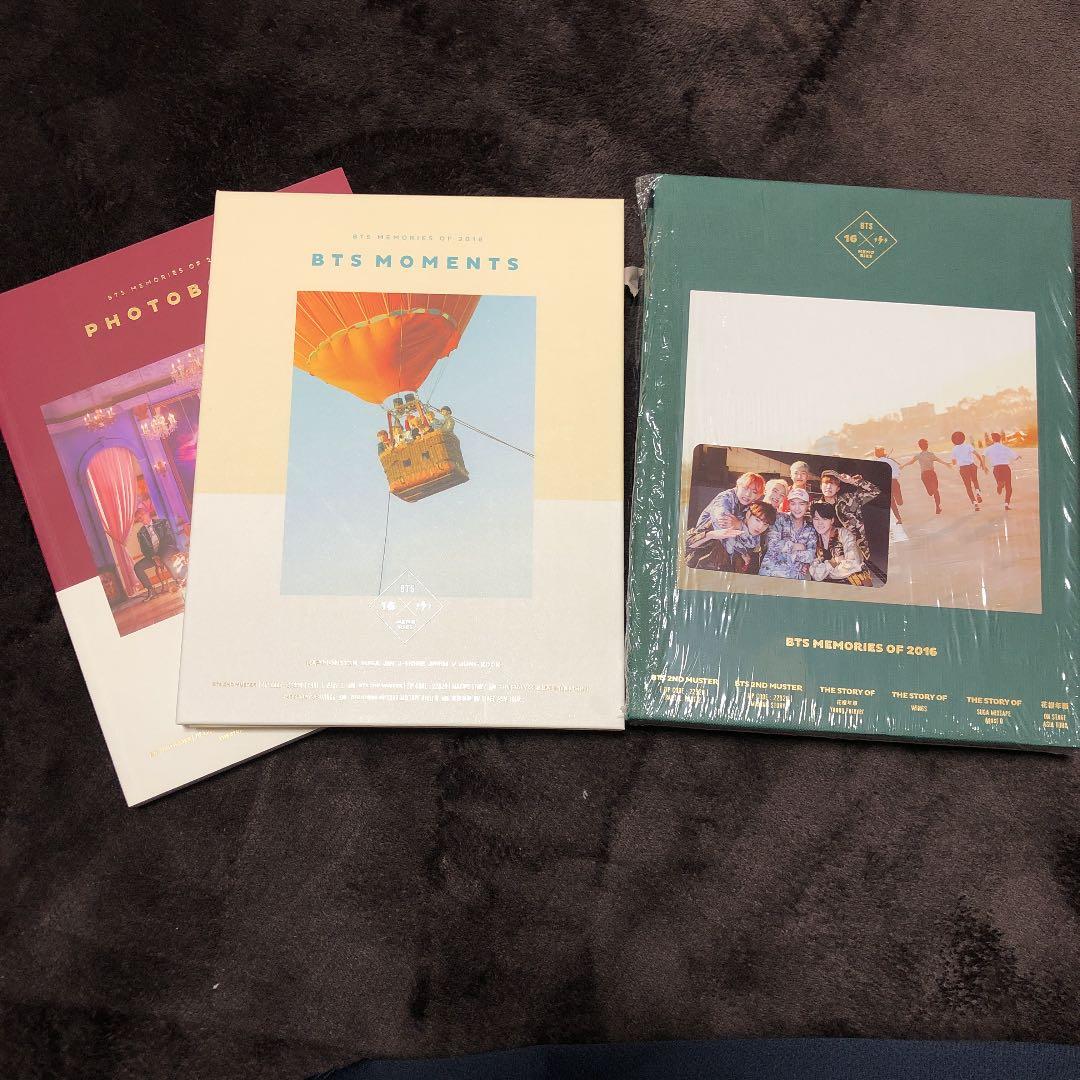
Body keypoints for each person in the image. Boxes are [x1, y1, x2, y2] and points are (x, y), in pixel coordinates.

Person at [688, 500, 776, 573]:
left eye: (765, 524)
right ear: (748, 515)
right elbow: (687, 543)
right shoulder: (725, 522)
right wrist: (712, 535)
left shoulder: (755, 543)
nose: (760, 527)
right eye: (757, 520)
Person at [818, 469, 879, 567]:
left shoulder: (848, 500)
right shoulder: (815, 506)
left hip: (850, 543)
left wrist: (852, 480)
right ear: (821, 486)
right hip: (828, 547)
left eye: (833, 484)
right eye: (825, 483)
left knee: (854, 571)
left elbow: (875, 491)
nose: (828, 487)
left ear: (838, 488)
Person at [808, 502, 872, 587]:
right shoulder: (812, 538)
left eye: (824, 519)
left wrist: (825, 573)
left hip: (854, 583)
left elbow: (853, 564)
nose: (820, 523)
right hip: (827, 586)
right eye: (816, 519)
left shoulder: (845, 534)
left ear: (832, 520)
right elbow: (815, 574)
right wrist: (833, 562)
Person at [759, 487, 817, 579]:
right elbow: (773, 545)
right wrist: (798, 547)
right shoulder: (779, 519)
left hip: (795, 579)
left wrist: (788, 550)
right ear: (789, 505)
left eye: (801, 504)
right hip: (771, 575)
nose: (797, 508)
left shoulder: (810, 529)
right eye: (793, 504)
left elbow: (810, 556)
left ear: (807, 505)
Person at [691, 472, 766, 537]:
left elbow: (754, 539)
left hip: (725, 546)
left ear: (758, 496)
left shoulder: (751, 505)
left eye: (754, 492)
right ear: (737, 486)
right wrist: (741, 527)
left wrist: (739, 525)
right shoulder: (724, 498)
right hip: (704, 544)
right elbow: (725, 532)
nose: (748, 494)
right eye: (745, 488)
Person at [132, 508, 180, 602]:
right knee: (137, 567)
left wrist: (159, 554)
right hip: (154, 556)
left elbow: (168, 539)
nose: (141, 519)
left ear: (147, 513)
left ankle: (178, 580)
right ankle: (151, 591)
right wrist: (154, 557)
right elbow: (145, 550)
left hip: (168, 549)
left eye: (142, 515)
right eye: (139, 518)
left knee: (165, 558)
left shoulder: (162, 523)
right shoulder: (141, 533)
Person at [900, 438, 952, 515]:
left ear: (920, 447)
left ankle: (938, 507)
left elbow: (911, 462)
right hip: (930, 474)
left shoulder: (921, 455)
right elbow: (939, 460)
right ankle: (937, 504)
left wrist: (903, 465)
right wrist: (946, 463)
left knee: (935, 491)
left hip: (926, 475)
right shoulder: (925, 455)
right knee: (932, 492)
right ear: (927, 446)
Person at [872, 446, 907, 542]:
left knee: (892, 503)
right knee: (897, 502)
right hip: (894, 481)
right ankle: (899, 518)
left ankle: (899, 518)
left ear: (877, 454)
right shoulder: (890, 460)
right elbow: (898, 470)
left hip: (885, 483)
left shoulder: (876, 463)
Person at [950, 430, 987, 510]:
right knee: (975, 480)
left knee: (968, 486)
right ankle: (978, 493)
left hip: (963, 468)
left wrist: (956, 461)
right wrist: (981, 462)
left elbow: (953, 462)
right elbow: (977, 454)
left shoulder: (954, 449)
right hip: (972, 466)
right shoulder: (968, 446)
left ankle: (975, 503)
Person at [984, 431, 1021, 509]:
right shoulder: (1005, 448)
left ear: (993, 439)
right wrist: (1018, 456)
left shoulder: (989, 448)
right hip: (1005, 468)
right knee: (1008, 487)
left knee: (999, 481)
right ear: (1000, 439)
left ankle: (1000, 483)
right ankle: (1006, 504)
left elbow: (983, 455)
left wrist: (984, 466)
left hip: (996, 468)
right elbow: (1015, 456)